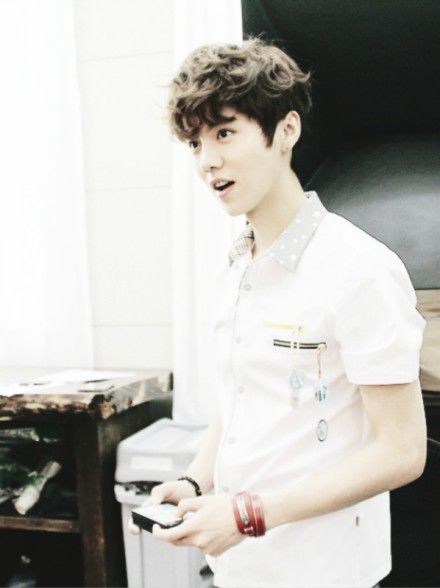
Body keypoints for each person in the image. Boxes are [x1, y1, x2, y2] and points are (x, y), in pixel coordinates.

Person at [130, 36, 427, 588]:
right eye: (195, 143)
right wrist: (195, 483)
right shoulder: (236, 265)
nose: (207, 161)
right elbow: (242, 401)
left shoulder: (359, 268)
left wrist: (247, 516)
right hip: (241, 566)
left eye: (224, 133)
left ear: (286, 130)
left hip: (324, 569)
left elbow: (403, 451)